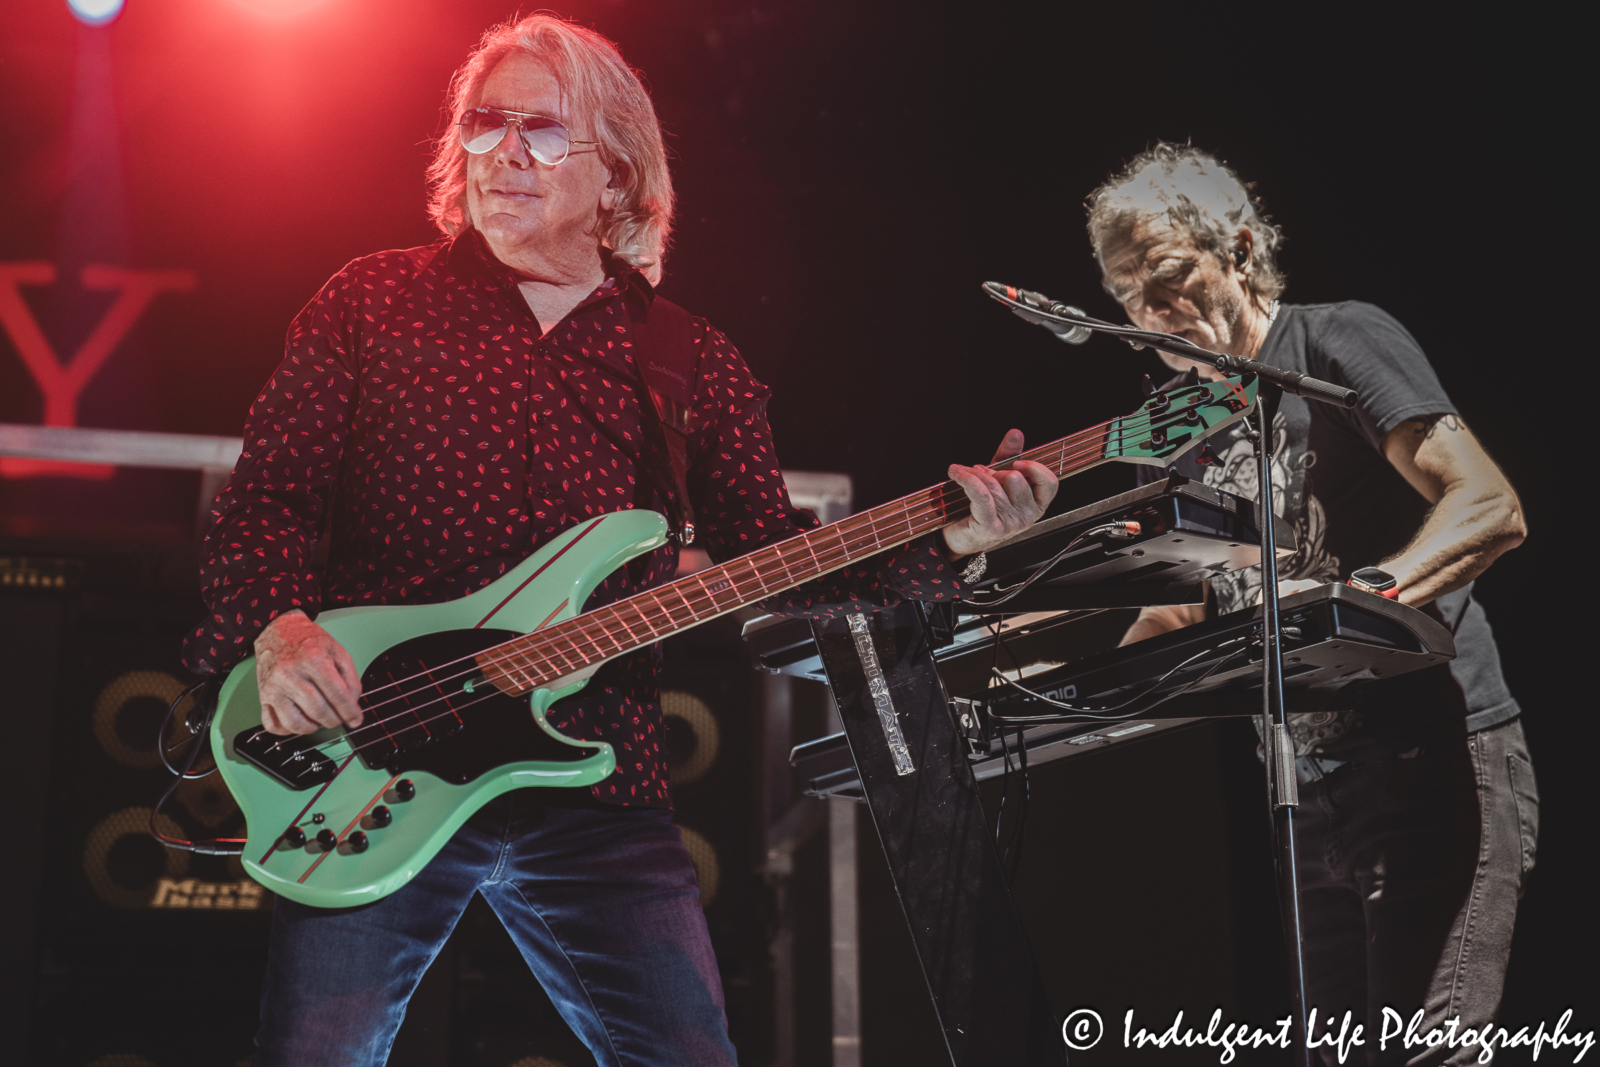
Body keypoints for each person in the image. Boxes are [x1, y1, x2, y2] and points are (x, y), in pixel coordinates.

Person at [181, 14, 1055, 1066]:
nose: (503, 149)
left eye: (542, 130)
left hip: (595, 785)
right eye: (483, 122)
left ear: (615, 176)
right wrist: (277, 629)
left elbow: (778, 569)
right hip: (369, 757)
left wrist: (956, 541)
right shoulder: (370, 302)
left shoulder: (691, 362)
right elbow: (264, 499)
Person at [1083, 144, 1534, 1065]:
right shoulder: (1176, 430)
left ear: (1239, 249)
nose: (1150, 315)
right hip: (1305, 796)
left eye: (1167, 278)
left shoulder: (1334, 341)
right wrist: (1046, 688)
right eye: (1127, 297)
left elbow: (1488, 504)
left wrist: (1357, 599)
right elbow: (1180, 612)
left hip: (1432, 761)